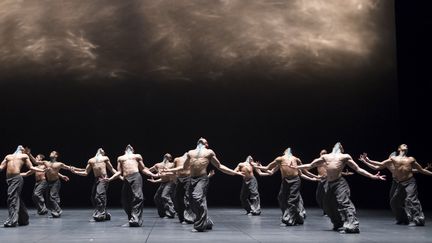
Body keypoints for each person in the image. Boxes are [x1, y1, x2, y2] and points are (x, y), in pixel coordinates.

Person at [292, 142, 385, 233]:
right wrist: (296, 167)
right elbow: (310, 165)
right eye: (336, 144)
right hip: (329, 184)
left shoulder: (345, 156)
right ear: (333, 147)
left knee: (344, 203)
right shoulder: (325, 156)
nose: (338, 144)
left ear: (341, 148)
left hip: (340, 183)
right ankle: (338, 223)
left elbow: (358, 169)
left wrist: (372, 176)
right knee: (327, 205)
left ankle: (353, 225)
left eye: (340, 145)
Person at [181, 138, 244, 232]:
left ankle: (200, 226)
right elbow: (185, 167)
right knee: (191, 202)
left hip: (202, 179)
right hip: (191, 179)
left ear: (206, 144)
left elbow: (219, 166)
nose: (205, 143)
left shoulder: (209, 152)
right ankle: (207, 222)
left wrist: (234, 173)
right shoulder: (190, 152)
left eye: (206, 142)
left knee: (197, 198)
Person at [361, 144, 432, 226]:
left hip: (410, 182)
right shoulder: (393, 159)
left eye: (406, 145)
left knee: (411, 199)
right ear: (399, 149)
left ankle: (419, 218)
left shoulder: (410, 159)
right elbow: (380, 164)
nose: (405, 145)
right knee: (394, 202)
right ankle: (403, 218)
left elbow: (421, 170)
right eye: (403, 145)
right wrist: (368, 160)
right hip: (400, 183)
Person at [251, 148, 319, 226]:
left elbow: (304, 171)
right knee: (281, 198)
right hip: (285, 181)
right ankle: (296, 218)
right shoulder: (280, 160)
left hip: (295, 181)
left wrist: (315, 177)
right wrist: (257, 167)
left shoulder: (296, 159)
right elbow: (268, 169)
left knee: (292, 200)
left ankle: (290, 219)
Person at [107, 144, 159, 227]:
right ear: (125, 150)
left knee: (138, 197)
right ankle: (132, 218)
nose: (129, 145)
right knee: (125, 200)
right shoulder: (120, 158)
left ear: (133, 150)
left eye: (131, 146)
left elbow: (143, 169)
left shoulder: (137, 156)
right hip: (126, 178)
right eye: (127, 146)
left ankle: (135, 219)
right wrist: (110, 179)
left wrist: (154, 175)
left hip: (136, 176)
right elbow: (119, 172)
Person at [0, 145, 45, 227]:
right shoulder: (8, 156)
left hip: (16, 179)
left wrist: (42, 170)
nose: (20, 146)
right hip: (9, 180)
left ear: (24, 150)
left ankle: (12, 220)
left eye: (23, 147)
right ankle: (24, 219)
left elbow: (31, 167)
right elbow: (1, 167)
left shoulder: (24, 156)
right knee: (16, 198)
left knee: (12, 198)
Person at [71, 148, 117, 221]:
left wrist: (119, 175)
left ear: (103, 153)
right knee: (93, 197)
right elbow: (86, 172)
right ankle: (104, 213)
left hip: (103, 179)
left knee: (99, 195)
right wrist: (75, 172)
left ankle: (101, 214)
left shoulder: (105, 158)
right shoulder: (91, 160)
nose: (101, 149)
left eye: (103, 150)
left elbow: (112, 169)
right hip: (97, 180)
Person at [26, 150, 75, 218]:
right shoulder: (46, 163)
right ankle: (55, 212)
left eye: (53, 153)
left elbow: (68, 168)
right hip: (48, 182)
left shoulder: (59, 164)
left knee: (52, 197)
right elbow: (35, 162)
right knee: (49, 201)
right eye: (51, 152)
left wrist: (79, 170)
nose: (51, 153)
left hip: (55, 182)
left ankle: (58, 210)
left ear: (56, 156)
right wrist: (29, 154)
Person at [313, 149, 353, 215]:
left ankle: (328, 211)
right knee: (319, 196)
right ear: (320, 154)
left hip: (327, 179)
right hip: (320, 180)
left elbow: (334, 170)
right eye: (322, 153)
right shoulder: (317, 161)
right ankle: (326, 209)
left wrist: (345, 174)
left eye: (324, 153)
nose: (323, 154)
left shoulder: (328, 161)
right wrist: (315, 176)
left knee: (327, 195)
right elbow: (309, 166)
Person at [147, 153, 177, 218]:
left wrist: (162, 173)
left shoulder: (172, 165)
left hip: (170, 182)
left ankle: (171, 213)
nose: (167, 157)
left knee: (164, 195)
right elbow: (148, 170)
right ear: (164, 157)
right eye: (166, 156)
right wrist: (153, 177)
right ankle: (162, 213)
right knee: (157, 197)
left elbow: (175, 173)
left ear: (170, 158)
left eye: (169, 157)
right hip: (163, 182)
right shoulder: (158, 165)